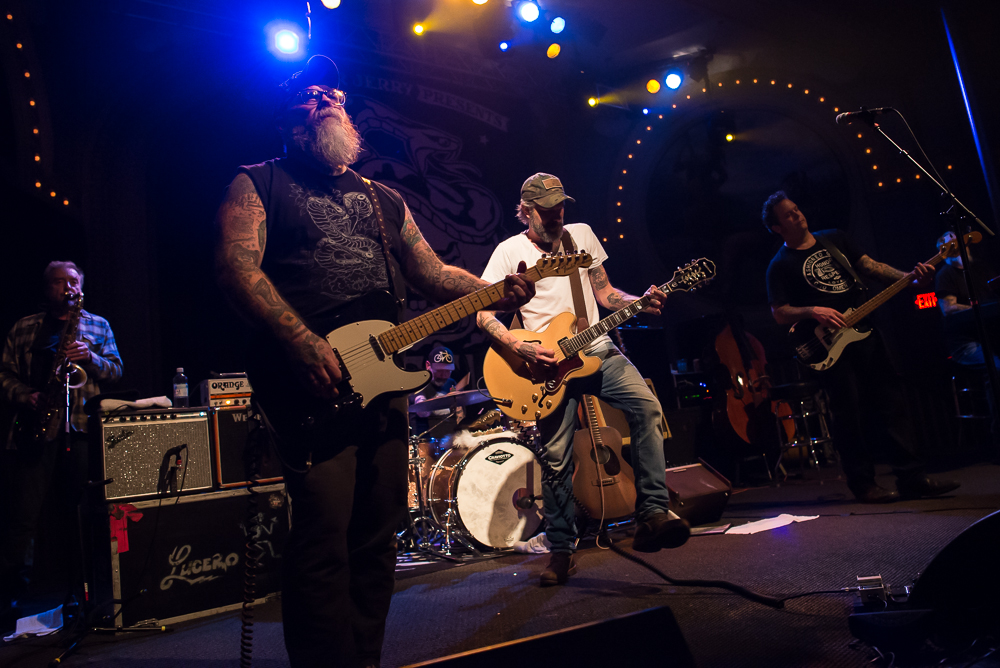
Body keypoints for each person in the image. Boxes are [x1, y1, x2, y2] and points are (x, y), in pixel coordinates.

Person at [214, 55, 535, 668]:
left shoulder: (382, 197)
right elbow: (236, 268)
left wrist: (497, 292)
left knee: (376, 537)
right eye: (311, 94)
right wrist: (302, 341)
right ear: (288, 117)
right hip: (309, 382)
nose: (327, 99)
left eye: (333, 92)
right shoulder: (259, 183)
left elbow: (433, 272)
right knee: (323, 540)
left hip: (383, 387)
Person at [477, 173, 690, 588]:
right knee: (556, 462)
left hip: (596, 349)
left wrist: (638, 302)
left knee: (646, 408)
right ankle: (561, 551)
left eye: (560, 207)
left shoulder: (582, 235)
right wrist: (517, 346)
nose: (557, 216)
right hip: (545, 367)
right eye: (546, 211)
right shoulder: (508, 252)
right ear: (525, 211)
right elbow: (484, 313)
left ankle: (652, 513)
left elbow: (606, 293)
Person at [762, 191, 959, 503]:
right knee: (848, 414)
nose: (797, 215)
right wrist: (813, 311)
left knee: (892, 404)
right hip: (829, 346)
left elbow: (872, 267)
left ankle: (912, 478)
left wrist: (910, 279)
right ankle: (863, 484)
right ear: (776, 227)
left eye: (797, 209)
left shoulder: (834, 239)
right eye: (788, 215)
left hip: (865, 332)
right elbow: (779, 312)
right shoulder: (780, 265)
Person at [0, 261, 123, 616]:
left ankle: (89, 590)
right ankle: (11, 600)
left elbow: (116, 369)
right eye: (59, 282)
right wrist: (26, 396)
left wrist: (92, 357)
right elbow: (3, 374)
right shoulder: (24, 327)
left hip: (80, 429)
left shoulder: (97, 325)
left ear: (81, 288)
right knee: (22, 517)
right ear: (47, 288)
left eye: (73, 281)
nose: (66, 287)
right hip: (33, 428)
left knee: (84, 512)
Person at [934, 230, 999, 368]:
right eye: (951, 243)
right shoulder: (945, 275)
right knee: (995, 364)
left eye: (959, 241)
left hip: (991, 335)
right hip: (966, 342)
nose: (957, 246)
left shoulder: (981, 267)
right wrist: (978, 309)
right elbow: (948, 309)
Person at [409, 345, 465, 438]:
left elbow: (460, 414)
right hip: (425, 442)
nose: (443, 375)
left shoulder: (451, 383)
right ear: (428, 365)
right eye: (439, 370)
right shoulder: (419, 384)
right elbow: (421, 407)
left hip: (451, 439)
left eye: (448, 371)